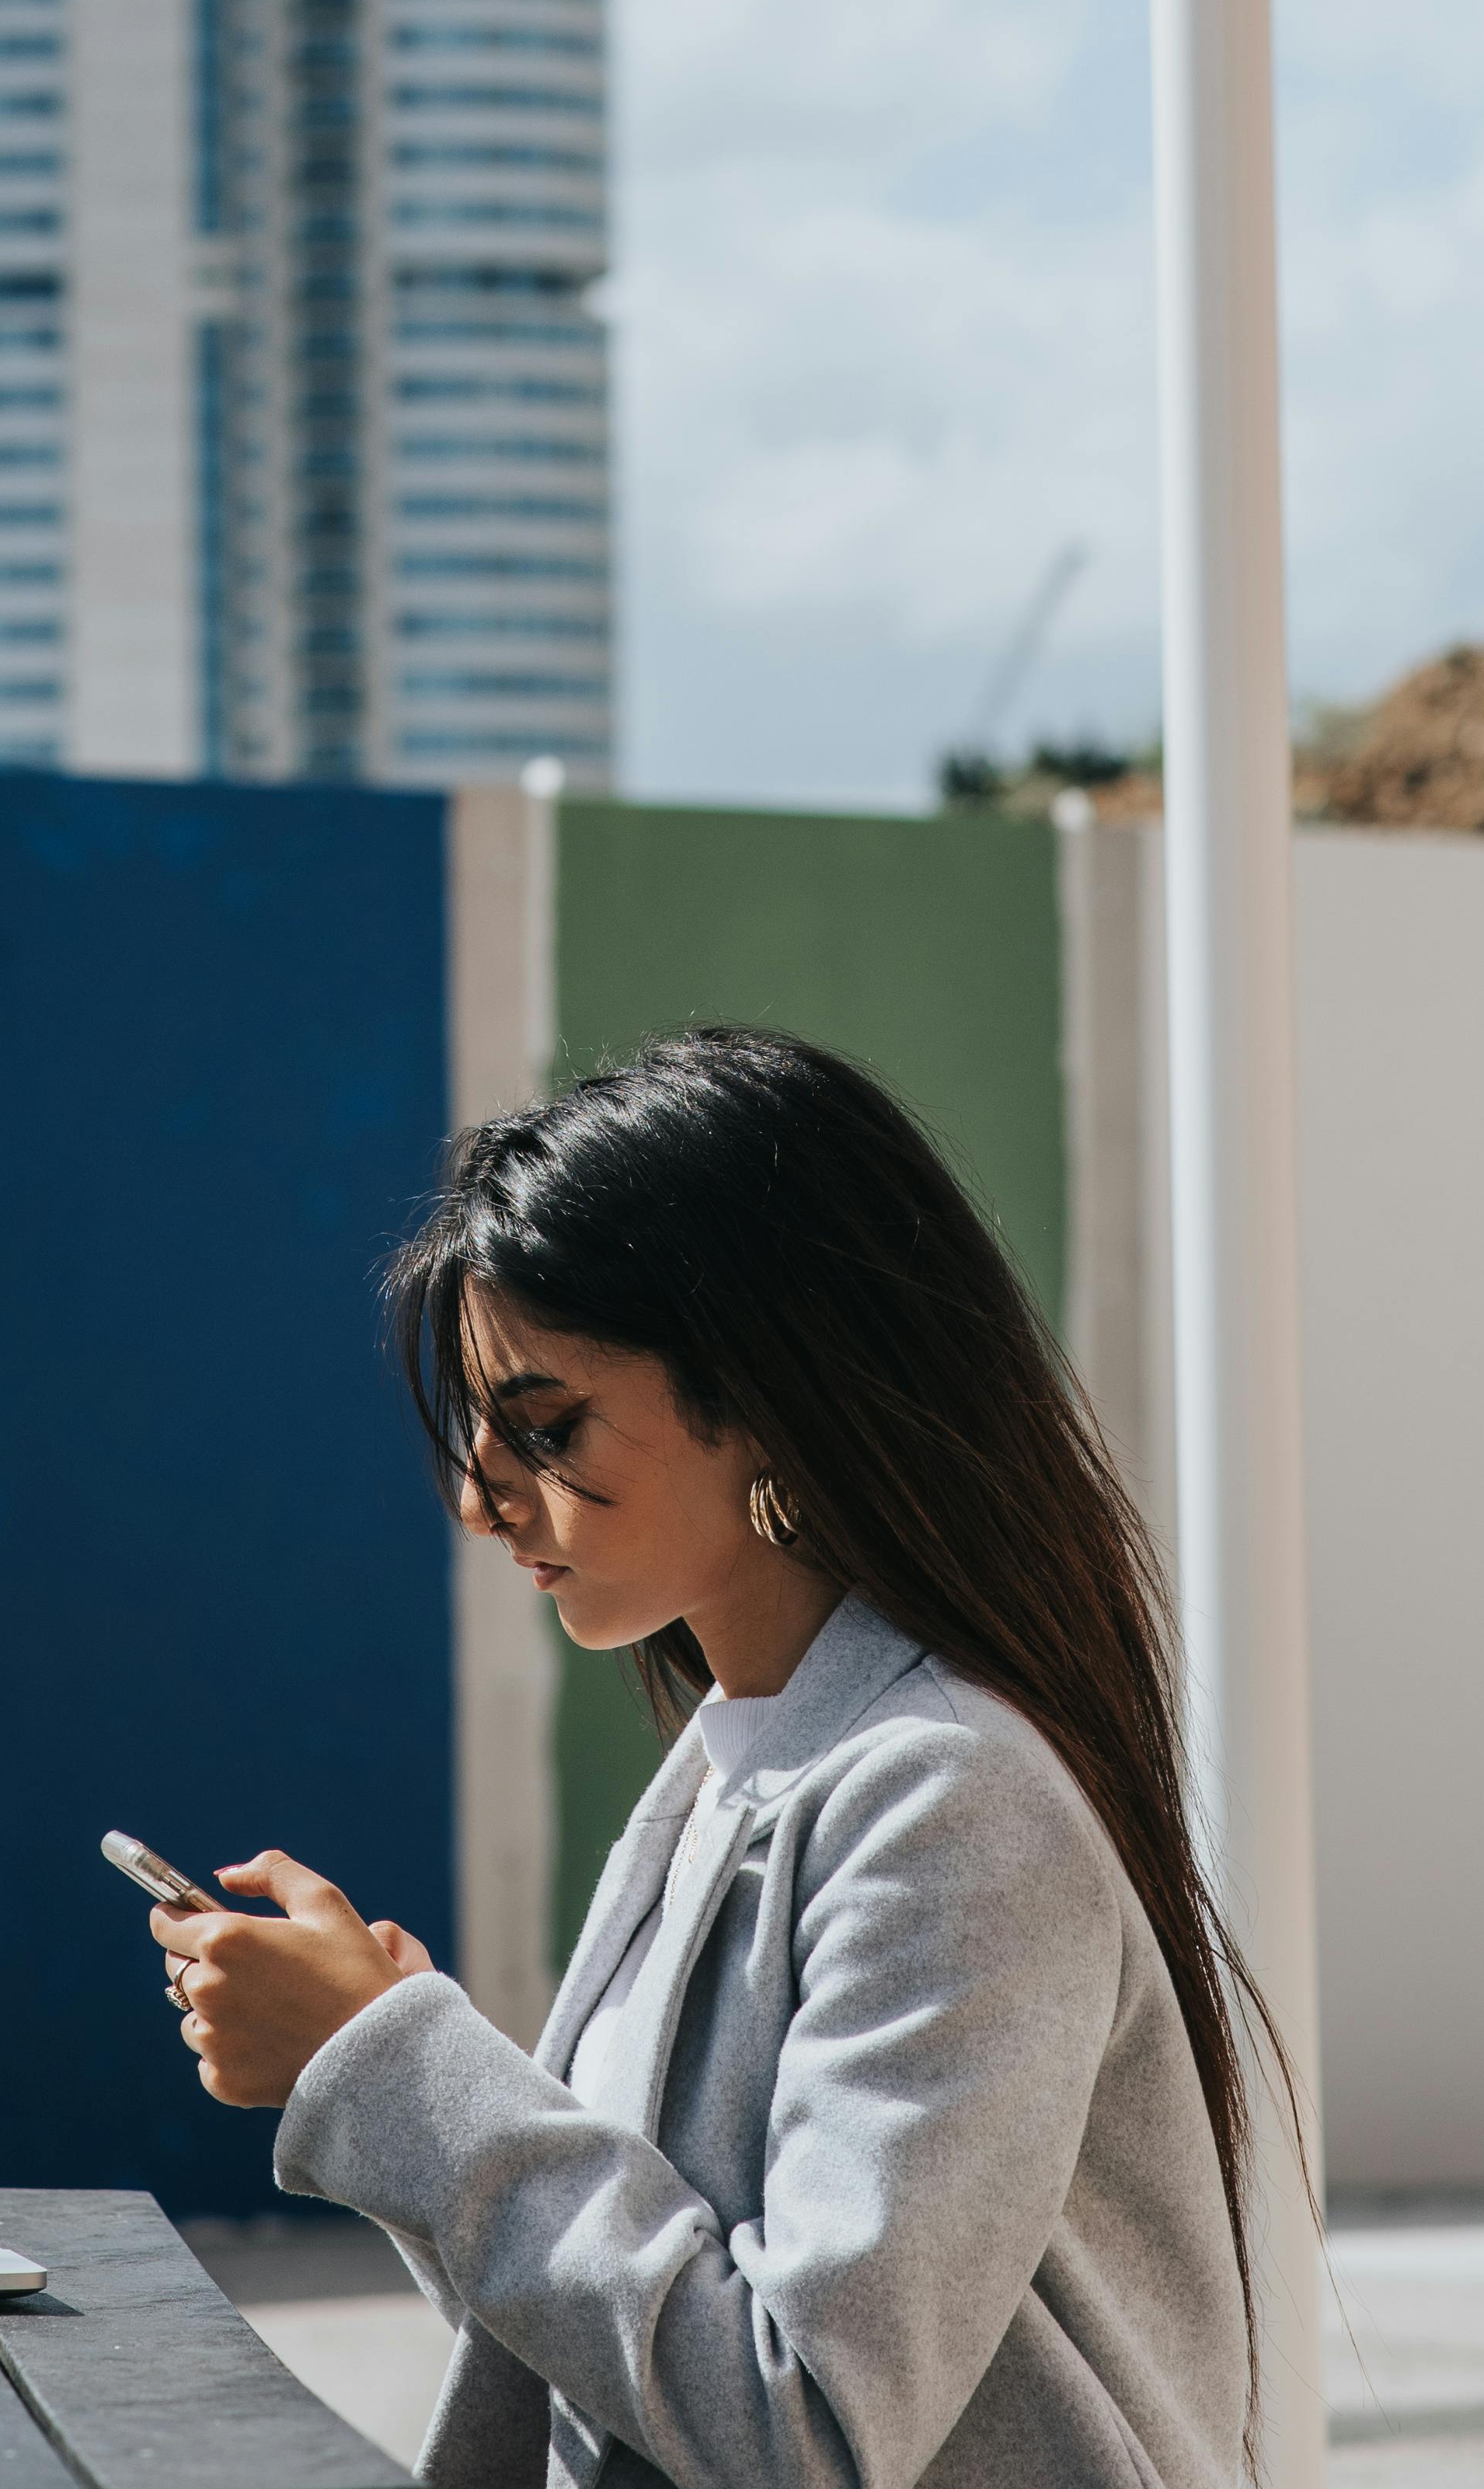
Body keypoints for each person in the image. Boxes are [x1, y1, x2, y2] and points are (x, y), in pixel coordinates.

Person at [149, 1023, 1274, 2489]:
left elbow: (801, 2423)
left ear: (760, 1392)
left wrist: (390, 2076)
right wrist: (409, 2079)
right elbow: (622, 2358)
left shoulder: (950, 1798)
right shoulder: (731, 1766)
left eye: (544, 1431)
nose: (488, 1506)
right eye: (478, 1447)